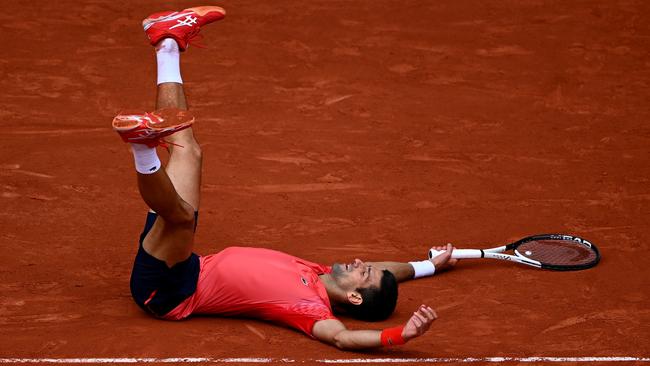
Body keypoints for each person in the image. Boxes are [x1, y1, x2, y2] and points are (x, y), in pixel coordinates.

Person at [113, 6, 458, 350]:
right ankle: (167, 41)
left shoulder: (311, 310)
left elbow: (344, 337)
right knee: (188, 149)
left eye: (363, 272)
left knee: (182, 217)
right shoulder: (318, 271)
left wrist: (403, 334)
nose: (359, 262)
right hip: (185, 264)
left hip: (168, 290)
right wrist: (427, 265)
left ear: (354, 297)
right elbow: (388, 272)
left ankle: (142, 149)